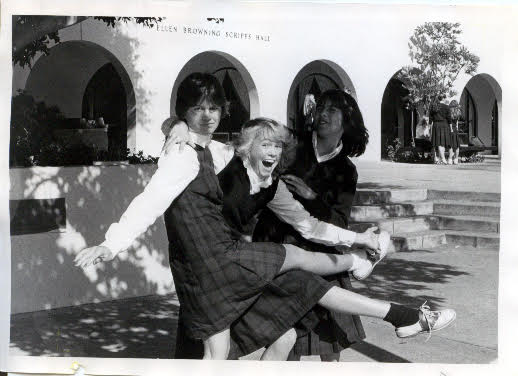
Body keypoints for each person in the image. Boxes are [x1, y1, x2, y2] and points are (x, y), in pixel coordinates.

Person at [76, 72, 456, 360]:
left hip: (228, 263)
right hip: (208, 265)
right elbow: (150, 200)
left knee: (284, 330)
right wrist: (112, 244)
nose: (206, 116)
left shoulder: (230, 158)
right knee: (220, 348)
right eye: (197, 109)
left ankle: (397, 308)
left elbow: (309, 224)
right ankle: (362, 269)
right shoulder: (186, 156)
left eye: (213, 108)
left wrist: (358, 237)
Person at [252, 89, 369, 361]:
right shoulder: (293, 145)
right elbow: (258, 134)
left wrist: (311, 197)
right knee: (285, 334)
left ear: (347, 121)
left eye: (332, 110)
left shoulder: (346, 170)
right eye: (321, 108)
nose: (322, 114)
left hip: (321, 252)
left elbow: (340, 221)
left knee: (331, 337)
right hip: (280, 248)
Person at [448, 100, 462, 165]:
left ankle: (450, 159)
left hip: (450, 129)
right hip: (455, 129)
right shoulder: (458, 112)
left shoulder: (449, 112)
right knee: (457, 145)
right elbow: (456, 122)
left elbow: (449, 122)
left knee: (450, 144)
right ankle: (456, 159)